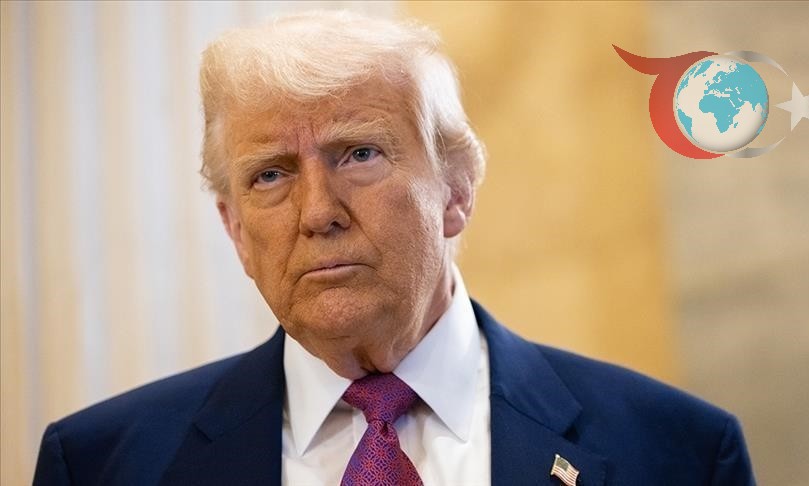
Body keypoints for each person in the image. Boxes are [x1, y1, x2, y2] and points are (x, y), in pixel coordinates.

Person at [33, 10, 755, 486]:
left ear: (457, 189)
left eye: (359, 154)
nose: (318, 212)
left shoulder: (677, 452)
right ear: (235, 230)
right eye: (271, 175)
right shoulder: (104, 464)